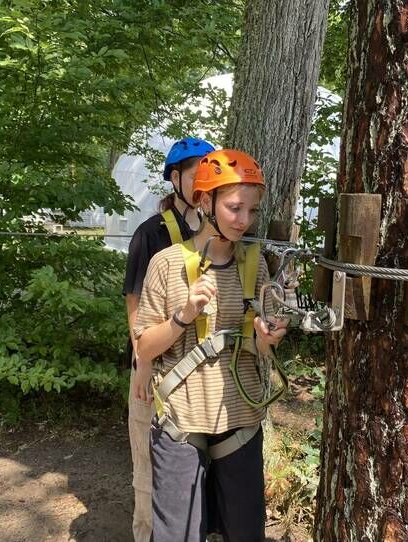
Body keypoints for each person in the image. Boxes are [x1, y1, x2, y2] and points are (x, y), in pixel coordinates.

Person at [134, 149, 288, 541]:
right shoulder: (167, 264)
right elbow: (144, 348)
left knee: (245, 532)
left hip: (240, 419)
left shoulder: (254, 265)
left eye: (252, 211)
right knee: (177, 535)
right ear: (206, 202)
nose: (243, 220)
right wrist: (183, 316)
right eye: (234, 208)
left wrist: (267, 338)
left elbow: (262, 349)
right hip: (181, 420)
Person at [123, 137, 215, 542]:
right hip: (155, 367)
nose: (203, 183)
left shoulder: (213, 232)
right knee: (148, 472)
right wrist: (142, 365)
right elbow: (134, 306)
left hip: (198, 374)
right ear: (175, 178)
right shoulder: (151, 234)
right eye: (196, 174)